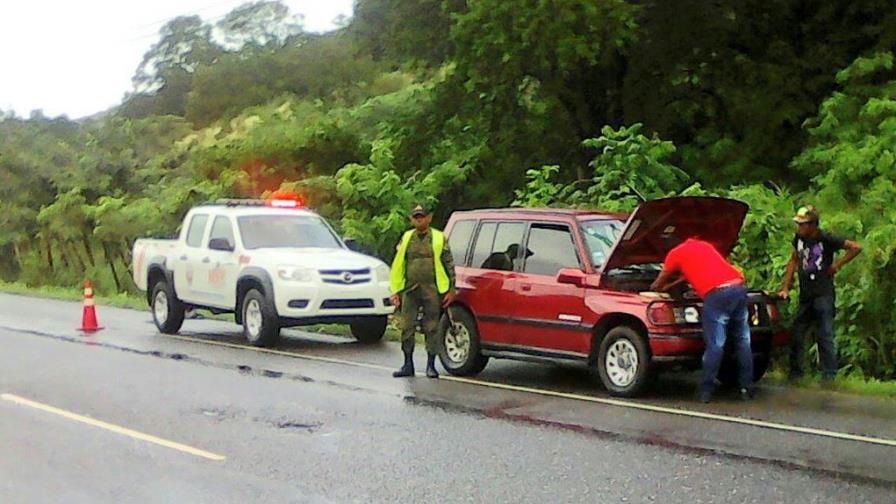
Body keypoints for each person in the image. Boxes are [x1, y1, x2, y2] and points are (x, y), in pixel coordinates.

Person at [651, 236, 753, 403]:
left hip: (717, 295)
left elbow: (658, 283)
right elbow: (697, 270)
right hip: (738, 287)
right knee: (743, 340)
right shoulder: (704, 245)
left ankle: (705, 391)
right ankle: (746, 389)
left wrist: (657, 288)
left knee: (716, 344)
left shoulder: (674, 254)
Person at [778, 205, 862, 381]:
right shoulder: (799, 239)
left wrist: (836, 265)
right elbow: (794, 260)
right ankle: (796, 373)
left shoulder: (825, 238)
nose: (799, 228)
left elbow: (855, 247)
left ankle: (829, 375)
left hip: (823, 292)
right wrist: (786, 286)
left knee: (825, 334)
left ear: (812, 225)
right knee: (797, 332)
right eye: (799, 224)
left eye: (803, 224)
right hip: (806, 294)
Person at [390, 204, 456, 378]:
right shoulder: (406, 238)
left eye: (422, 217)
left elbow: (449, 263)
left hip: (432, 289)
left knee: (431, 327)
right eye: (416, 217)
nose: (419, 220)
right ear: (412, 219)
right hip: (410, 289)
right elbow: (398, 263)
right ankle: (407, 364)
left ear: (429, 218)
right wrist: (395, 291)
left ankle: (430, 365)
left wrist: (451, 289)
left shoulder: (438, 237)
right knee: (407, 327)